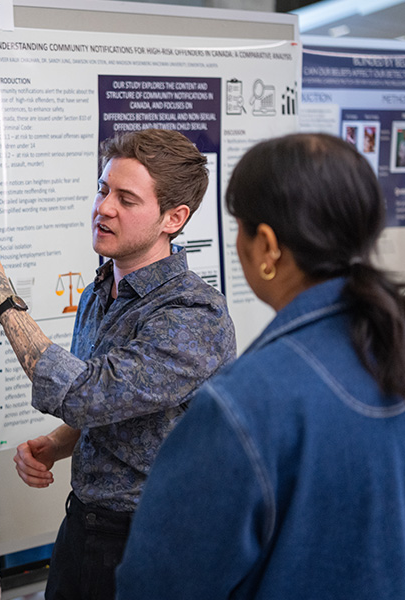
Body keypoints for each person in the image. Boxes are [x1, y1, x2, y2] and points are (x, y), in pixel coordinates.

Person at [116, 133, 405, 599]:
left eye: (241, 227)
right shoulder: (386, 351)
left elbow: (158, 584)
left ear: (266, 246)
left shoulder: (244, 405)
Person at [0, 128, 236, 599]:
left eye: (127, 199)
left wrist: (5, 303)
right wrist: (59, 443)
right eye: (104, 190)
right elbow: (113, 405)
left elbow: (86, 392)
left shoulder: (194, 315)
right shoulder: (99, 293)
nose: (103, 208)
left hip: (152, 545)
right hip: (84, 530)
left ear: (174, 217)